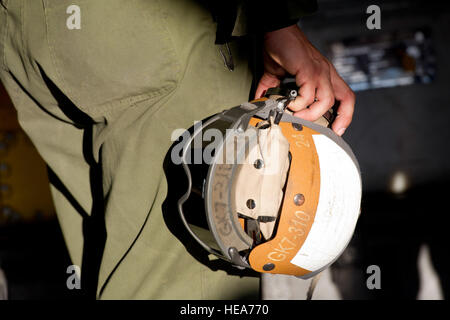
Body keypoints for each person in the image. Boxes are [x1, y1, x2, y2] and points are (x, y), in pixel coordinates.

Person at [0, 0, 354, 299]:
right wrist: (276, 17)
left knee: (110, 258)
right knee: (179, 272)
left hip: (37, 25)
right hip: (157, 32)